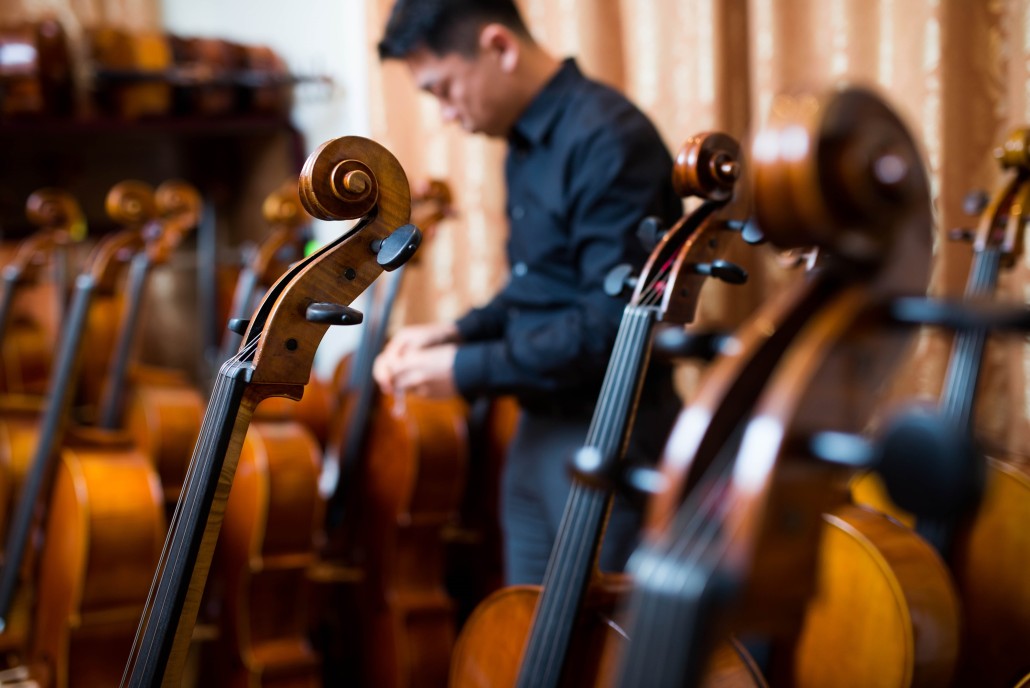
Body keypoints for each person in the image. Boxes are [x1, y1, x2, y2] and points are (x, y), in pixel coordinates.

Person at [372, 0, 683, 586]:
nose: (443, 115)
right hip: (537, 430)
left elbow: (610, 323)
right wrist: (459, 331)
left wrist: (465, 369)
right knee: (527, 640)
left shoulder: (609, 138)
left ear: (499, 47)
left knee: (602, 663)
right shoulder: (525, 140)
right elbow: (537, 287)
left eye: (442, 89)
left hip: (607, 432)